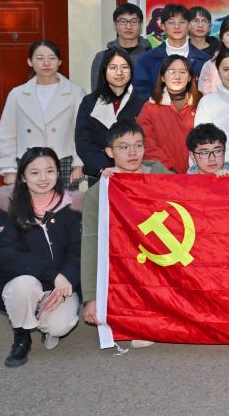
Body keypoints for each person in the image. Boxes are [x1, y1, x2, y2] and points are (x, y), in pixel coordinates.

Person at [0, 147, 81, 368]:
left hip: (59, 285)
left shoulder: (72, 207)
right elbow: (3, 253)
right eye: (35, 172)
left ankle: (41, 319)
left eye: (49, 171)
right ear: (23, 177)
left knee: (61, 325)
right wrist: (52, 275)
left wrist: (66, 282)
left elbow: (78, 251)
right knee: (24, 286)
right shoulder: (9, 208)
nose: (43, 178)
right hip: (26, 282)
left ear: (58, 173)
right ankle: (22, 335)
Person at [81, 120, 171, 349]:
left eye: (138, 145)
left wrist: (220, 178)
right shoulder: (99, 192)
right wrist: (92, 297)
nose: (133, 152)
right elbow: (91, 245)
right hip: (127, 265)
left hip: (166, 259)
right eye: (123, 147)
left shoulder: (160, 175)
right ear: (109, 152)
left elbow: (195, 195)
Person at [0, 40, 85, 191]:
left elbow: (81, 131)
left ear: (59, 62)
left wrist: (79, 164)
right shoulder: (17, 94)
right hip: (27, 161)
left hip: (63, 161)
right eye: (40, 58)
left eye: (52, 58)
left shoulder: (75, 92)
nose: (46, 63)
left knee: (65, 205)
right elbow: (7, 133)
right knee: (27, 205)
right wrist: (8, 168)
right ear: (30, 62)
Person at [74, 47, 148, 181]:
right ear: (104, 71)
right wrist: (105, 168)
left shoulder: (143, 101)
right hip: (100, 174)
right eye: (113, 67)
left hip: (135, 174)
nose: (119, 72)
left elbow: (147, 141)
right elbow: (83, 142)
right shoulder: (89, 102)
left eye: (124, 67)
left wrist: (124, 168)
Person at [136, 55, 200, 173]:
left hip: (198, 173)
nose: (177, 76)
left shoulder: (201, 103)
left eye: (182, 72)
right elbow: (146, 143)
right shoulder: (150, 107)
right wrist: (168, 168)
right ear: (162, 77)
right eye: (171, 72)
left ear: (190, 77)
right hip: (163, 173)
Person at [133, 4, 211, 95]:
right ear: (162, 26)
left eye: (182, 22)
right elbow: (141, 94)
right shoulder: (147, 60)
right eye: (171, 22)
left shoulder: (205, 60)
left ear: (189, 25)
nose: (177, 27)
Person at [89, 4, 152, 90]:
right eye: (123, 21)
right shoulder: (102, 57)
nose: (128, 26)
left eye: (134, 22)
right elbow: (96, 94)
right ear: (115, 25)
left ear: (140, 25)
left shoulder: (153, 56)